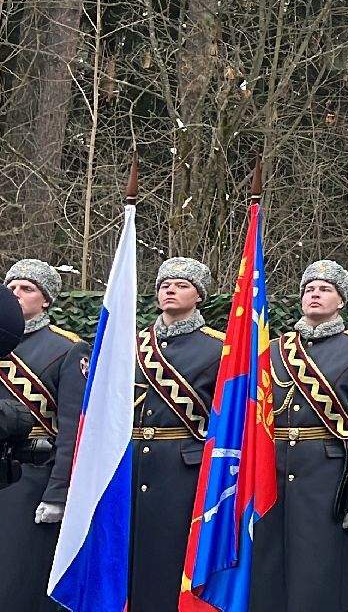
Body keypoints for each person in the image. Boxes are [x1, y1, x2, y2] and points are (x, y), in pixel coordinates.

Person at [252, 260, 348, 612]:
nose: (315, 294)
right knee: (268, 569)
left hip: (327, 479)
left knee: (320, 572)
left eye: (325, 289)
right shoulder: (274, 350)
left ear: (341, 301)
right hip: (273, 474)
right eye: (309, 289)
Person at [0, 260, 87, 612]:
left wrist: (58, 492)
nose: (16, 294)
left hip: (26, 477)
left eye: (28, 288)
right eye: (12, 286)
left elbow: (72, 429)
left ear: (47, 300)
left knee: (10, 580)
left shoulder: (66, 349)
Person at [130, 258, 224, 612]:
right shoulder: (132, 343)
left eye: (181, 284)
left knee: (171, 560)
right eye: (164, 284)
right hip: (133, 463)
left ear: (199, 295)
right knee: (128, 559)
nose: (170, 289)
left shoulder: (220, 348)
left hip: (184, 469)